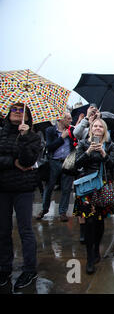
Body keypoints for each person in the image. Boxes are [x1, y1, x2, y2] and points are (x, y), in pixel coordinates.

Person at [0, 103, 43, 289]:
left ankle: (29, 269)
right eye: (15, 110)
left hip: (24, 188)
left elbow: (29, 160)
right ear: (8, 114)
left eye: (22, 111)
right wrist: (12, 162)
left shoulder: (33, 136)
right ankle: (4, 266)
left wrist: (25, 138)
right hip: (3, 186)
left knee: (25, 229)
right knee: (3, 230)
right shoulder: (1, 133)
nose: (18, 114)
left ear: (28, 116)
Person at [73, 118, 114, 274]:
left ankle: (97, 249)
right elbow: (76, 164)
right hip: (87, 188)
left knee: (99, 222)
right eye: (95, 126)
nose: (97, 128)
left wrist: (103, 153)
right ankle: (90, 257)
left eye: (100, 126)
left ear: (104, 130)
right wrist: (89, 151)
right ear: (91, 129)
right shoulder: (84, 144)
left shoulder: (110, 145)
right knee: (90, 221)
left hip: (103, 187)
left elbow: (112, 164)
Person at [36, 112, 77, 222]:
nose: (70, 121)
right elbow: (49, 147)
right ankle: (44, 209)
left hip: (68, 162)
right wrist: (62, 138)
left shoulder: (72, 131)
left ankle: (62, 212)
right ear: (60, 119)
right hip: (54, 162)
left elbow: (77, 142)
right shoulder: (50, 130)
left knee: (66, 188)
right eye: (68, 118)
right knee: (49, 187)